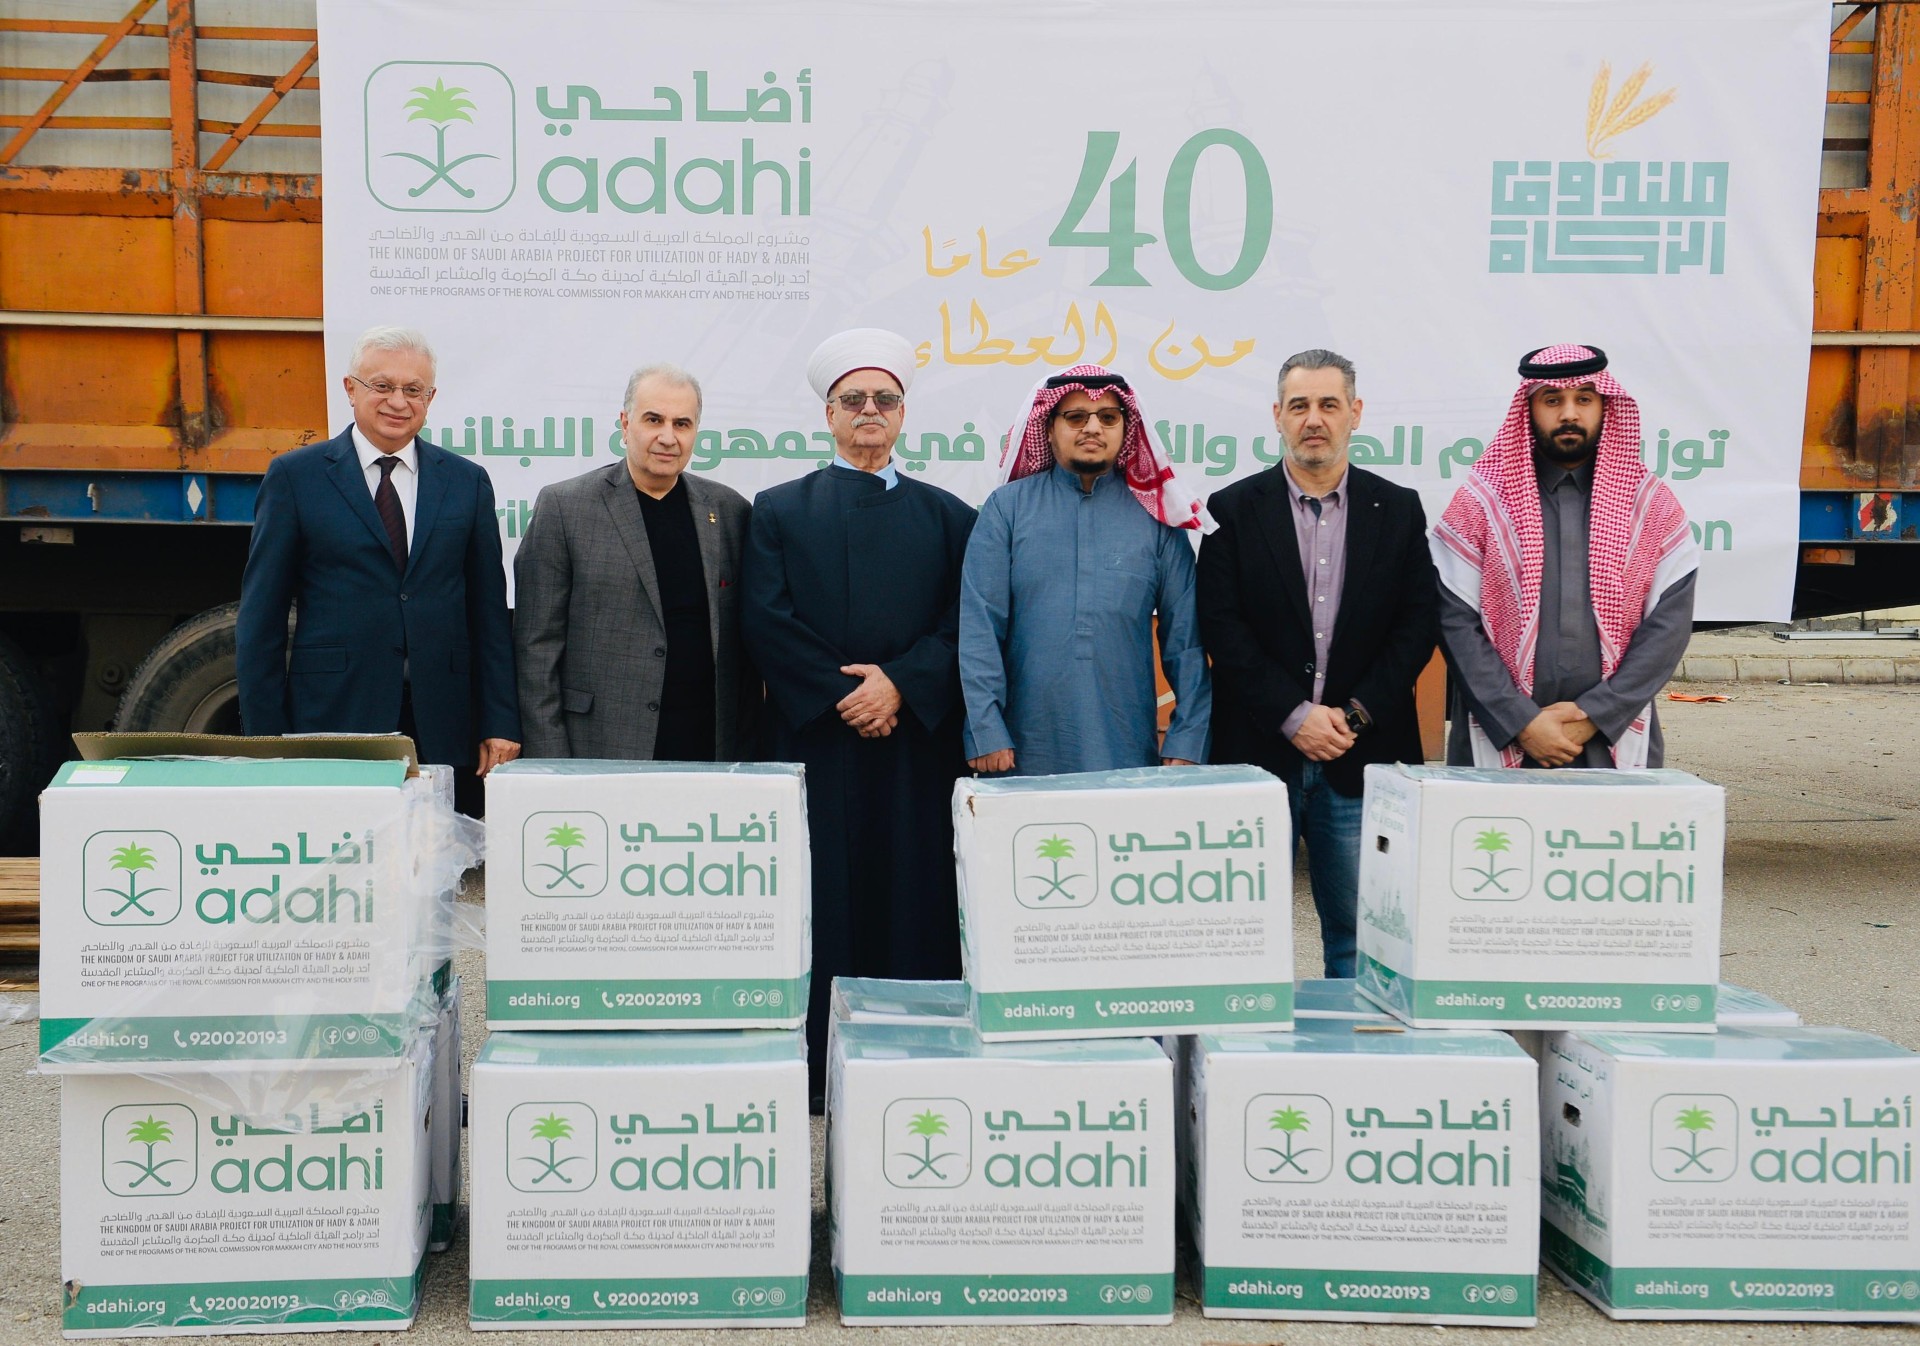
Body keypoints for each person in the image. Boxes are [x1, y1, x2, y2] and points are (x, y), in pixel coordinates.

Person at [740, 328, 976, 1102]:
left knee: (913, 896)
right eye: (853, 400)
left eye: (884, 399)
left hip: (913, 748)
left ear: (902, 413)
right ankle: (815, 1066)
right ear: (829, 415)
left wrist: (900, 685)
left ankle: (914, 1056)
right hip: (817, 741)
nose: (869, 410)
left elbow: (964, 624)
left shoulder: (950, 516)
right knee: (819, 901)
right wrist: (847, 695)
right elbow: (765, 619)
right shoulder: (778, 510)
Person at [1197, 349, 1438, 978]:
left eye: (1329, 404)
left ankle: (1352, 1043)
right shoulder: (1232, 509)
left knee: (1362, 940)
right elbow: (1222, 626)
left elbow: (1417, 625)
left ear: (1355, 413)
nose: (1314, 419)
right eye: (1299, 405)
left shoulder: (1398, 508)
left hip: (1364, 757)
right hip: (1257, 755)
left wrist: (1352, 717)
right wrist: (1293, 715)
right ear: (1277, 415)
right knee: (1242, 938)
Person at [236, 325, 520, 812]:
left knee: (437, 854)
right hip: (334, 718)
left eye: (413, 390)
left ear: (430, 399)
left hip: (444, 719)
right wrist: (266, 742)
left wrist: (499, 720)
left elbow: (489, 613)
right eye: (382, 386)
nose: (398, 402)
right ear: (350, 389)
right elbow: (261, 619)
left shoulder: (467, 482)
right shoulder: (296, 477)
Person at [1433, 343, 1698, 768]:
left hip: (1609, 737)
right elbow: (1455, 623)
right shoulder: (1480, 504)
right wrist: (1521, 722)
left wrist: (1596, 715)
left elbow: (1667, 630)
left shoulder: (1652, 508)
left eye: (1584, 399)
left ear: (1605, 406)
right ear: (1529, 408)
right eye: (1552, 400)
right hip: (1498, 732)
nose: (1569, 414)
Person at [960, 366, 1212, 776]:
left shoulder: (1157, 519)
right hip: (1020, 749)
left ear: (1125, 429)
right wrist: (985, 729)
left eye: (1108, 417)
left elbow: (1186, 641)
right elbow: (979, 628)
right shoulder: (1007, 509)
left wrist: (1188, 738)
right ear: (1048, 429)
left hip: (1126, 748)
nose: (1093, 428)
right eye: (1076, 417)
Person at [513, 364, 754, 761]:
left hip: (709, 748)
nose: (668, 437)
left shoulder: (730, 511)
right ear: (625, 424)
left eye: (682, 424)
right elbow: (535, 647)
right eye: (653, 420)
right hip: (599, 746)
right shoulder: (565, 507)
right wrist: (551, 760)